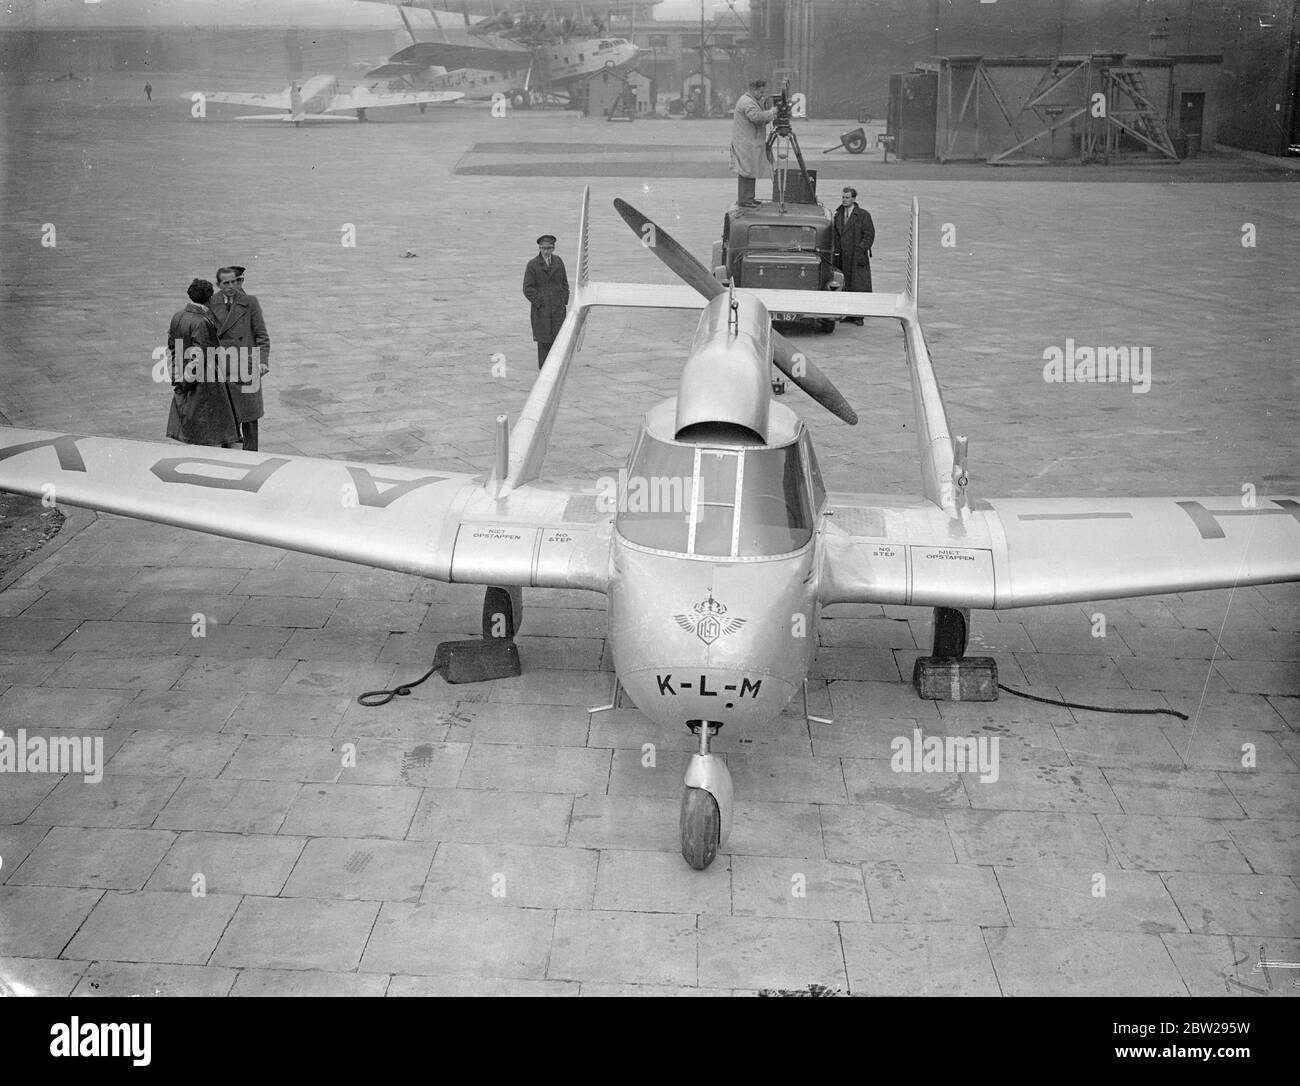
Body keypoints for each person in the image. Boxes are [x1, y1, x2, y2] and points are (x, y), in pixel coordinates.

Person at [165, 279, 240, 447]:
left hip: (185, 377)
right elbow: (200, 358)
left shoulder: (178, 316)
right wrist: (186, 382)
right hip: (203, 384)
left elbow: (173, 347)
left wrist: (178, 376)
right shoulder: (201, 321)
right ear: (209, 298)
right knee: (207, 430)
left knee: (189, 424)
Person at [210, 265, 270, 450]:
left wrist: (262, 362)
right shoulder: (211, 302)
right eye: (226, 283)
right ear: (219, 284)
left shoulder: (250, 302)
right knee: (227, 418)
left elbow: (262, 336)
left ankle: (251, 456)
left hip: (246, 367)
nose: (231, 286)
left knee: (249, 418)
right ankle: (230, 458)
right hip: (223, 368)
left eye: (234, 282)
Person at [522, 234, 569, 368]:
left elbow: (564, 282)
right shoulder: (533, 265)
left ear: (553, 248)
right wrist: (540, 302)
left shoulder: (558, 261)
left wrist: (564, 299)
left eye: (548, 248)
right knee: (544, 340)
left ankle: (556, 366)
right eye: (543, 248)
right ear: (540, 248)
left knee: (558, 338)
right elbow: (527, 288)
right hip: (541, 311)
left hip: (558, 309)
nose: (546, 251)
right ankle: (544, 368)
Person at [730, 77, 777, 208]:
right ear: (753, 90)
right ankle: (745, 200)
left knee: (749, 170)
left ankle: (749, 198)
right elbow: (755, 117)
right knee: (747, 170)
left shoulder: (750, 100)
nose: (763, 95)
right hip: (746, 143)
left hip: (748, 142)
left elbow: (759, 118)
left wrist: (768, 115)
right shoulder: (747, 102)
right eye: (761, 92)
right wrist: (771, 112)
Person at [832, 186, 875, 325]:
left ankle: (858, 316)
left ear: (854, 199)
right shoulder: (838, 214)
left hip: (857, 257)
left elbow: (869, 235)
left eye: (847, 197)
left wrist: (861, 249)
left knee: (859, 286)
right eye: (843, 197)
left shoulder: (863, 215)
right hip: (842, 257)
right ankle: (848, 314)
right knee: (845, 284)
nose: (844, 200)